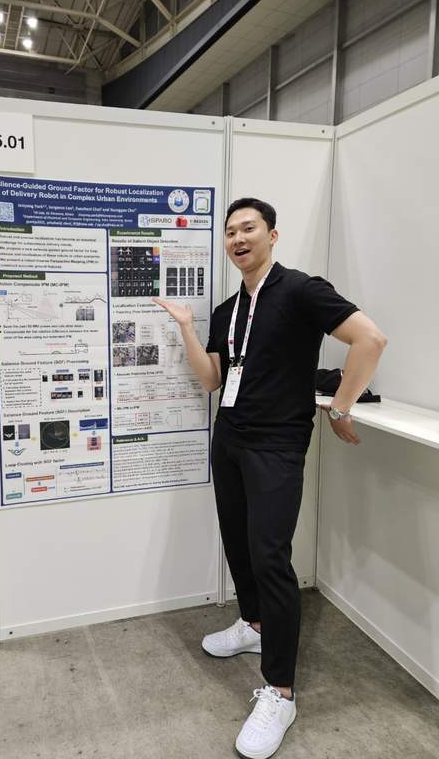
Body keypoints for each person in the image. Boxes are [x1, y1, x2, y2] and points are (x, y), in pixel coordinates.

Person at [153, 198, 387, 759]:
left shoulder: (302, 290)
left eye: (249, 228)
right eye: (230, 231)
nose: (238, 239)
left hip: (277, 445)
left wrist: (341, 406)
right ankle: (253, 624)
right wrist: (186, 328)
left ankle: (280, 692)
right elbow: (213, 379)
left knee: (270, 558)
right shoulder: (228, 308)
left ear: (272, 235)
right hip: (230, 438)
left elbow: (370, 339)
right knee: (238, 542)